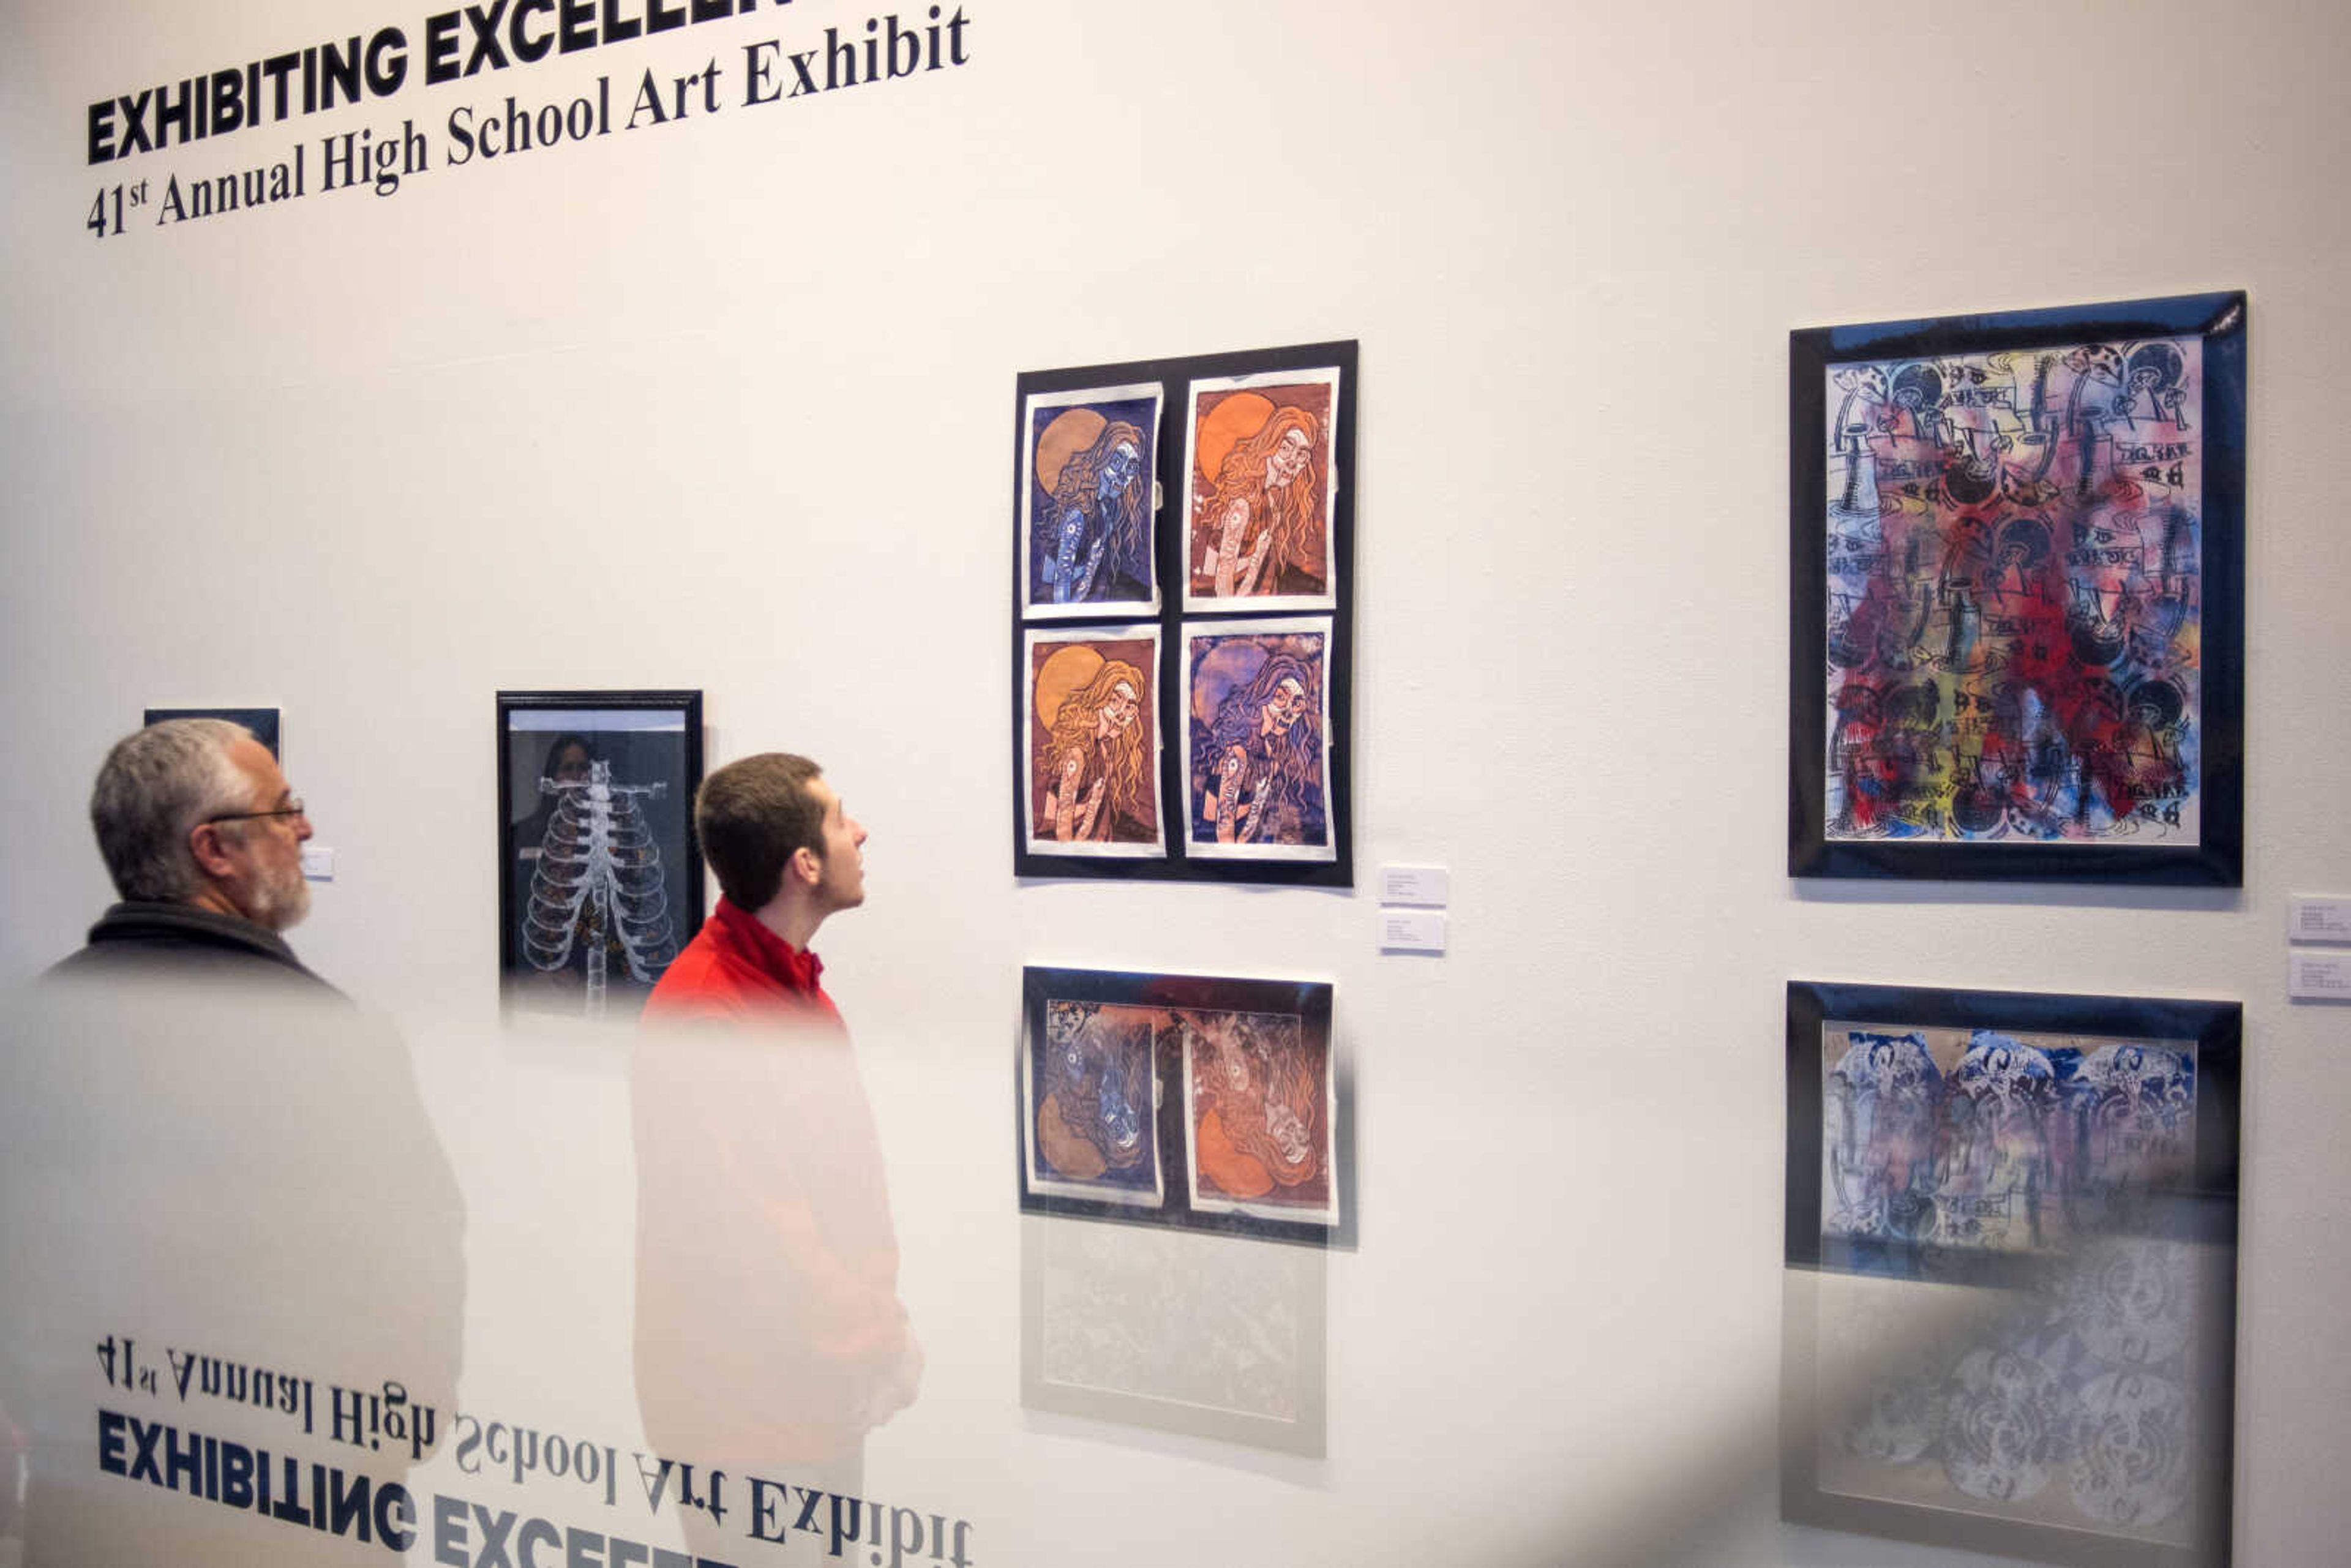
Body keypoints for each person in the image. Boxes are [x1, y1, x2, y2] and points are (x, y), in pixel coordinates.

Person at [632, 754, 918, 1559]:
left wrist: (874, 1331)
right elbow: (762, 1237)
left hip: (814, 1395)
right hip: (747, 1420)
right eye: (839, 820)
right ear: (805, 865)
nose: (860, 832)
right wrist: (881, 1340)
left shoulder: (796, 994)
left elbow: (847, 1193)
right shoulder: (708, 1017)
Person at [48, 717, 329, 991]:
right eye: (282, 813)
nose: (305, 829)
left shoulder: (45, 999)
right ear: (215, 850)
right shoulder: (306, 1017)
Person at [1038, 657, 1150, 843]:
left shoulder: (1105, 752)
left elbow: (1095, 822)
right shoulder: (1077, 754)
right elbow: (1062, 832)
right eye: (1115, 701)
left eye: (1130, 707)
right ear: (1099, 699)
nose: (1122, 714)